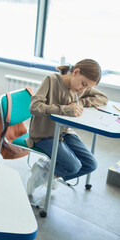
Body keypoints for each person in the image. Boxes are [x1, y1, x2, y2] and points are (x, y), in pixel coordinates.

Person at [26, 59, 108, 195]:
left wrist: (81, 102)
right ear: (76, 72)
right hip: (44, 134)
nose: (83, 89)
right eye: (83, 84)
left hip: (64, 132)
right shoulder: (51, 80)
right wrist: (64, 109)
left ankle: (49, 172)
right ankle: (48, 171)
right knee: (74, 166)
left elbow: (103, 97)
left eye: (87, 87)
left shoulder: (80, 89)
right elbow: (34, 107)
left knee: (91, 164)